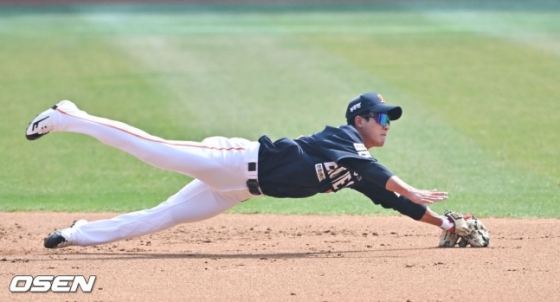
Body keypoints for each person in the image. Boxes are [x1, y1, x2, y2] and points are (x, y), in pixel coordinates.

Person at [25, 92, 461, 249]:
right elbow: (380, 173)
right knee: (150, 149)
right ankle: (68, 114)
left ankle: (77, 233)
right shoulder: (341, 138)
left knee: (162, 217)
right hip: (233, 159)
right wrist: (412, 186)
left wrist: (444, 224)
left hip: (235, 191)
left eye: (389, 120)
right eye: (381, 118)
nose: (386, 126)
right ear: (360, 119)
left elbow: (390, 198)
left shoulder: (360, 167)